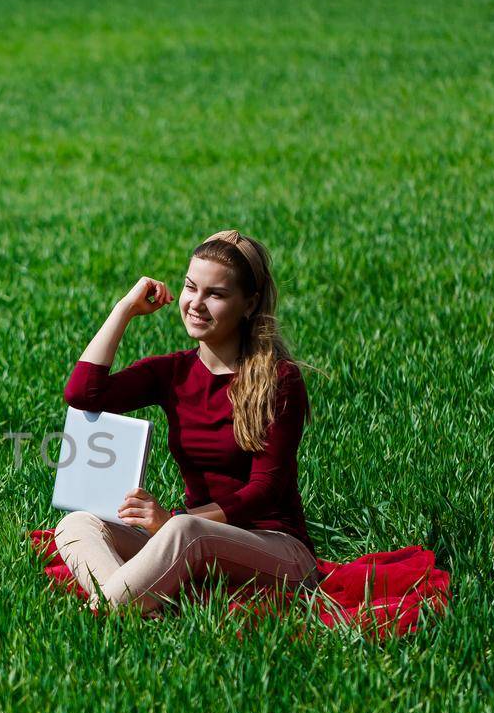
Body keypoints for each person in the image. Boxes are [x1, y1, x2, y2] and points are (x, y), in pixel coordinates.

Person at [54, 229, 320, 617]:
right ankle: (141, 612)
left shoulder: (279, 379)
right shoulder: (173, 372)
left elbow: (265, 489)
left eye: (216, 294)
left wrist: (175, 520)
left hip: (277, 550)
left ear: (249, 304)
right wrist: (125, 308)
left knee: (184, 532)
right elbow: (83, 394)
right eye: (190, 287)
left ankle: (105, 611)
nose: (196, 303)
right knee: (77, 523)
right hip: (193, 540)